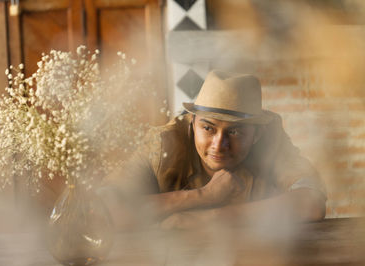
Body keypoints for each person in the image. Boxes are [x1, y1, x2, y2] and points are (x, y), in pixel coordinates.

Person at [102, 70, 327, 230]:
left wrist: (211, 218)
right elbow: (105, 211)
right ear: (192, 122)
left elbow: (312, 202)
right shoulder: (163, 143)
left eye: (236, 132)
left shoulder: (271, 140)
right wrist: (203, 196)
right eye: (208, 128)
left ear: (257, 134)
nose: (219, 145)